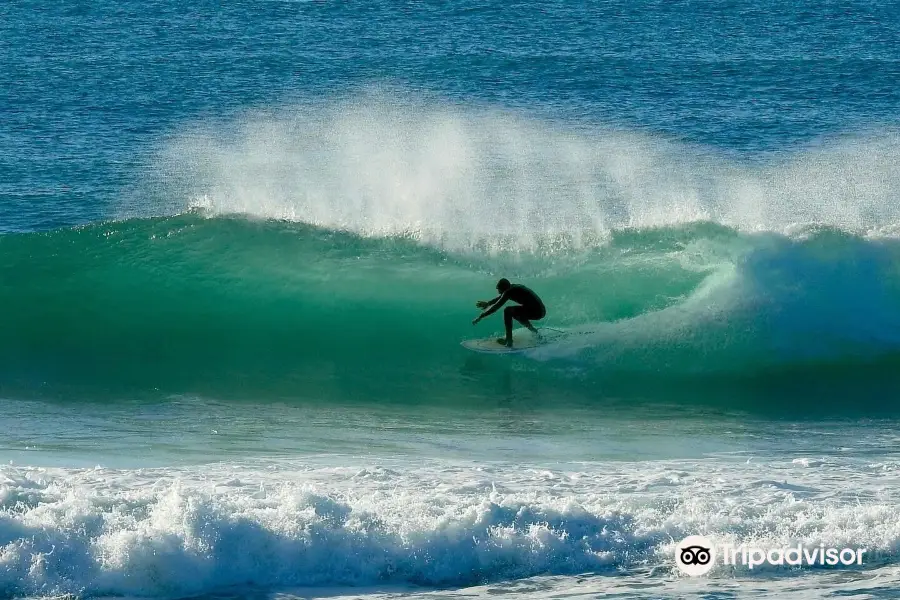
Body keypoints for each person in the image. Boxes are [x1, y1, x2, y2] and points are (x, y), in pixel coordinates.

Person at [472, 278, 547, 347]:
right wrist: (488, 303)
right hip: (540, 311)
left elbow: (495, 307)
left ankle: (508, 340)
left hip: (537, 312)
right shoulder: (512, 288)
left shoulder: (509, 292)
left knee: (508, 311)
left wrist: (480, 317)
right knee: (516, 314)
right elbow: (500, 298)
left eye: (498, 289)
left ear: (503, 289)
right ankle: (535, 332)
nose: (497, 291)